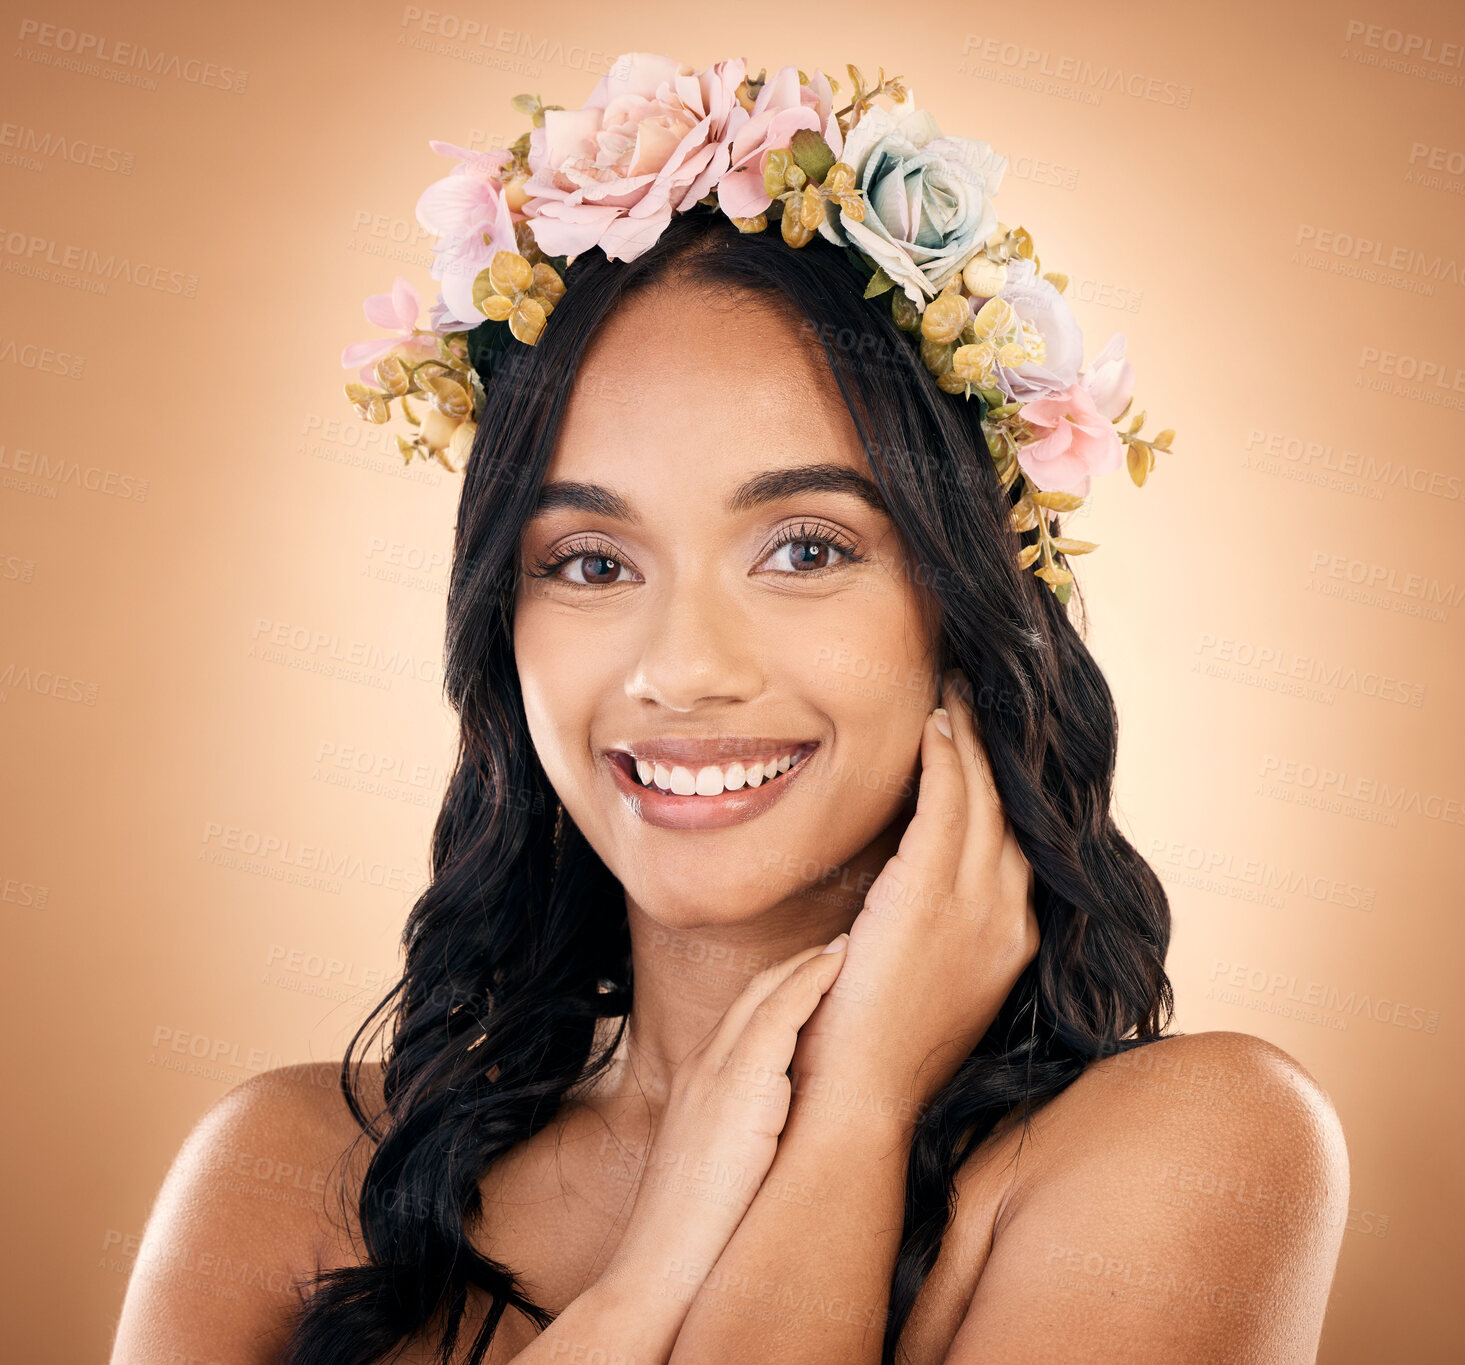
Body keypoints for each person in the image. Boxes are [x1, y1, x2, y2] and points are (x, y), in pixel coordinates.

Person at [109, 65, 1349, 1365]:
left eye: (803, 548)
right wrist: (645, 1281)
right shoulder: (283, 1175)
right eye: (591, 561)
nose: (681, 669)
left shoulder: (1187, 1149)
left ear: (964, 603)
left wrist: (850, 1120)